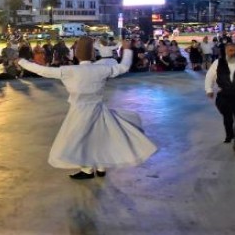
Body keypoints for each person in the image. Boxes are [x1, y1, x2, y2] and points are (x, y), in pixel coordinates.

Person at [17, 36, 157, 179]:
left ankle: (87, 169)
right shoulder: (101, 69)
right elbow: (124, 67)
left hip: (79, 112)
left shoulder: (69, 70)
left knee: (79, 141)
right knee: (99, 137)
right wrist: (127, 50)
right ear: (93, 53)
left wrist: (22, 61)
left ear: (77, 53)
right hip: (98, 109)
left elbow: (41, 70)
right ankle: (101, 167)